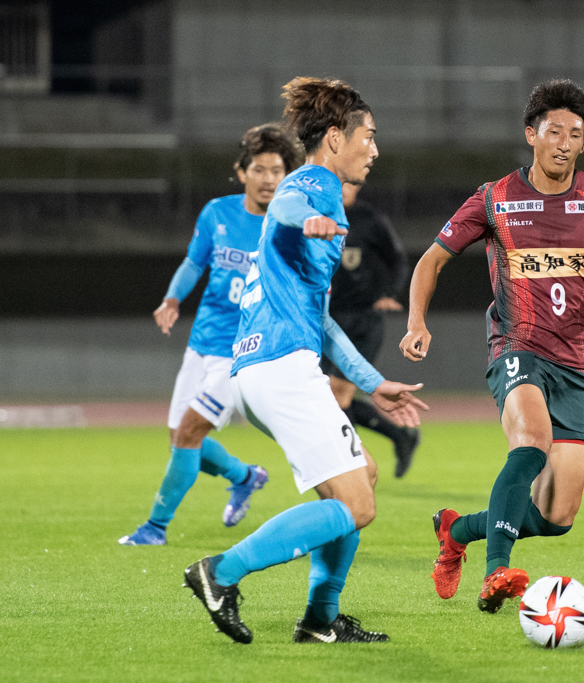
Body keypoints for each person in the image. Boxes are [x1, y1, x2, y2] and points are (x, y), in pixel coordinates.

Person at [183, 77, 428, 645]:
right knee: (358, 505)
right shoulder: (314, 184)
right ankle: (222, 572)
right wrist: (306, 219)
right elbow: (288, 202)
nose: (375, 149)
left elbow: (321, 322)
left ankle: (320, 619)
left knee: (362, 476)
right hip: (281, 369)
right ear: (336, 138)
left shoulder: (322, 199)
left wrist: (372, 383)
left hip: (270, 367)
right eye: (369, 136)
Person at [401, 79, 584, 614]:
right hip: (517, 346)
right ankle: (496, 571)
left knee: (557, 517)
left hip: (574, 363)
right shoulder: (495, 198)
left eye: (575, 135)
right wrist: (417, 321)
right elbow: (431, 261)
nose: (564, 143)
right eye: (554, 131)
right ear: (531, 134)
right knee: (531, 442)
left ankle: (456, 530)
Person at [119, 124, 303, 546]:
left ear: (287, 176)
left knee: (188, 434)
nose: (268, 179)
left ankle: (155, 528)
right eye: (259, 169)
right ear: (242, 173)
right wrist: (172, 299)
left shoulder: (289, 226)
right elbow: (194, 262)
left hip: (241, 353)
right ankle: (245, 476)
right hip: (201, 342)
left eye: (277, 171)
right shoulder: (217, 213)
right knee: (180, 441)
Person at [321, 181, 419, 478]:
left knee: (337, 396)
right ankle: (398, 435)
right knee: (329, 396)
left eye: (349, 183)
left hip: (363, 319)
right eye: (337, 182)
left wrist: (389, 293)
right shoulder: (317, 218)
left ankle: (350, 466)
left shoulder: (369, 219)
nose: (343, 188)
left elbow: (397, 260)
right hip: (325, 319)